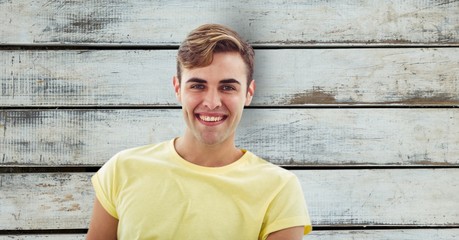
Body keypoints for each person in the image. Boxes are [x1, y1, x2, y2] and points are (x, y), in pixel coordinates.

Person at [87, 23, 312, 240]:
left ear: (248, 93)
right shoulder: (122, 170)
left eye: (227, 87)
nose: (212, 102)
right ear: (178, 89)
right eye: (197, 86)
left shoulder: (279, 188)